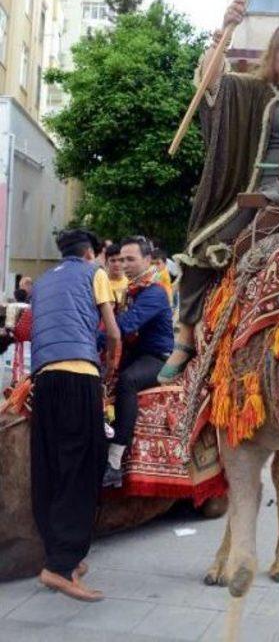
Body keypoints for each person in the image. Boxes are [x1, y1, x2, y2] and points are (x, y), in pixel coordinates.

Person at [159, 3, 279, 382]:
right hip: (259, 192)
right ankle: (185, 335)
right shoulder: (250, 89)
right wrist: (226, 29)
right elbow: (211, 83)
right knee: (205, 249)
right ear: (273, 53)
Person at [29, 228, 120, 602]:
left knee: (49, 468)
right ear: (91, 253)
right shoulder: (94, 273)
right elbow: (112, 332)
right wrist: (111, 363)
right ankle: (60, 567)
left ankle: (61, 556)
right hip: (78, 377)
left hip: (43, 381)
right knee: (82, 467)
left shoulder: (41, 282)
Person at [103, 236, 175, 488]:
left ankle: (114, 461)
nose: (124, 264)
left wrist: (94, 338)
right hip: (136, 355)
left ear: (147, 260)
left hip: (158, 358)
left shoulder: (153, 292)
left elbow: (125, 325)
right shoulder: (132, 290)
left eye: (131, 259)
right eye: (122, 259)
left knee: (127, 381)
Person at [105, 242, 128, 310]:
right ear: (106, 262)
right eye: (113, 261)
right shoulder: (101, 283)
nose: (117, 264)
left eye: (121, 260)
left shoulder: (131, 282)